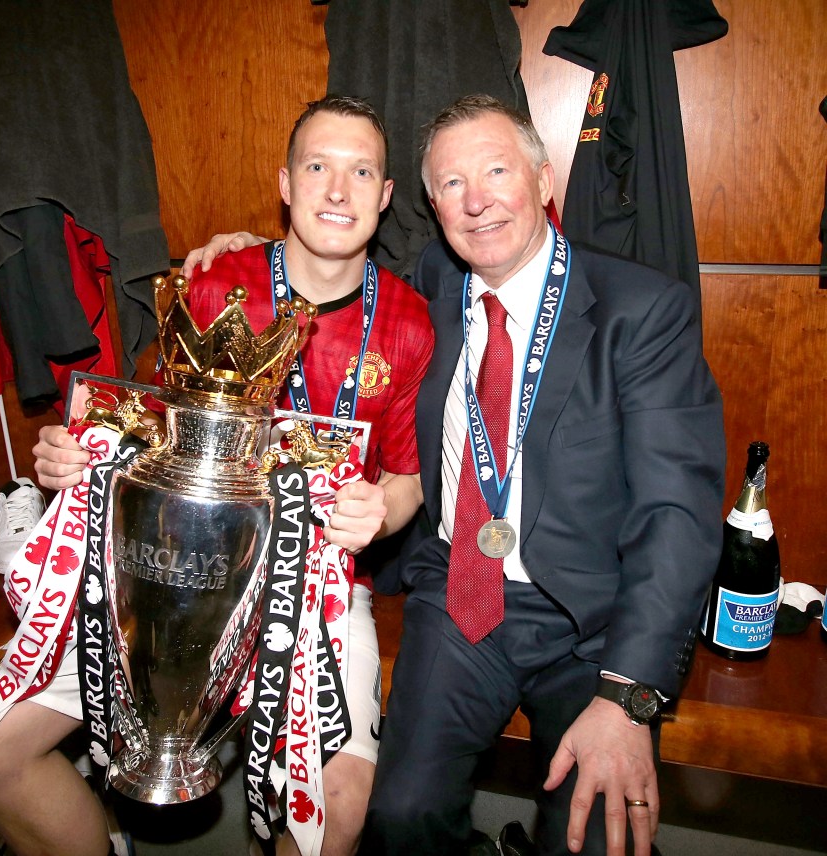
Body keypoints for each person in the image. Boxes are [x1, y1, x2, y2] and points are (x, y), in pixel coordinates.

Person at [195, 94, 726, 856]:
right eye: (450, 184)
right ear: (429, 206)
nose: (475, 201)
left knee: (598, 835)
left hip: (592, 619)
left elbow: (678, 513)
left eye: (496, 171)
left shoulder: (640, 311)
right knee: (400, 816)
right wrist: (245, 251)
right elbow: (318, 267)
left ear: (544, 181)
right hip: (459, 597)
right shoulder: (427, 298)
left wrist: (631, 696)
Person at [0, 95, 433, 856]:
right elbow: (135, 429)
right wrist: (72, 460)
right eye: (318, 166)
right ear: (284, 182)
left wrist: (381, 508)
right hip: (171, 570)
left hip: (317, 586)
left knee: (340, 806)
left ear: (384, 195)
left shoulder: (409, 320)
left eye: (360, 171)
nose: (337, 191)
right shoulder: (213, 283)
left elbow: (408, 478)